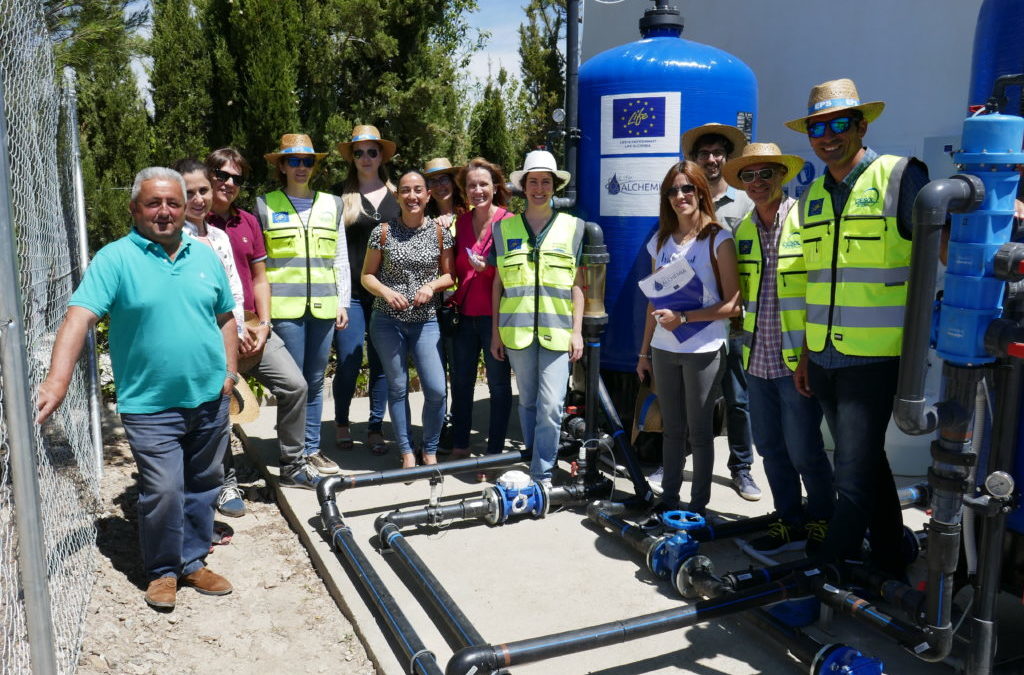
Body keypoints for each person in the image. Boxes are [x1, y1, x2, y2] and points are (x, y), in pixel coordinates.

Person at [37, 167, 237, 609]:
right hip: (150, 405)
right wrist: (57, 381)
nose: (164, 212)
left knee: (204, 483)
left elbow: (225, 317)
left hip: (209, 398)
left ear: (185, 208)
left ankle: (192, 560)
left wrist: (229, 374)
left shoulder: (204, 255)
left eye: (173, 203)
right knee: (164, 489)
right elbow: (79, 317)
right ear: (134, 209)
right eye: (153, 203)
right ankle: (163, 570)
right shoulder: (115, 259)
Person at [786, 78, 929, 576]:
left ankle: (831, 562)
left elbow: (945, 252)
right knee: (869, 463)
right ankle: (891, 555)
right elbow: (815, 281)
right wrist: (806, 353)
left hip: (876, 358)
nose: (827, 136)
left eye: (838, 124)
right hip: (823, 357)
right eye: (816, 127)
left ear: (862, 125)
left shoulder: (900, 176)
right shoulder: (811, 197)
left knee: (852, 472)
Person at [723, 143, 835, 554]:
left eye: (765, 174)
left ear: (782, 176)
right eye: (749, 176)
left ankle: (823, 519)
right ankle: (789, 519)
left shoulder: (806, 220)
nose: (757, 183)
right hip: (756, 360)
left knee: (805, 450)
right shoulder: (744, 229)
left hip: (796, 361)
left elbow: (822, 293)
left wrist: (808, 354)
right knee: (770, 448)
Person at [206, 147, 319, 495]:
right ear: (207, 175)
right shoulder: (194, 222)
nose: (228, 183)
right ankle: (225, 482)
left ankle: (293, 464)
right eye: (221, 175)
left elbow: (260, 278)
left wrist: (265, 324)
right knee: (219, 404)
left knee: (295, 386)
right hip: (213, 333)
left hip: (255, 326)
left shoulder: (248, 222)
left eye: (236, 178)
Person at [636, 161, 741, 516]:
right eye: (673, 191)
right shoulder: (661, 241)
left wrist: (684, 318)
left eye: (687, 189)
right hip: (664, 348)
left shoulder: (718, 238)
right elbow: (654, 297)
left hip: (703, 349)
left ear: (700, 191)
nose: (680, 196)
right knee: (671, 429)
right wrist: (643, 353)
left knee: (699, 432)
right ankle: (669, 500)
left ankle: (697, 506)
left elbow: (733, 305)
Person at [255, 134, 349, 476]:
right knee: (292, 383)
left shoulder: (333, 204)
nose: (301, 167)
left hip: (324, 306)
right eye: (293, 160)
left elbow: (340, 258)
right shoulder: (265, 205)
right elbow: (259, 265)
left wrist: (343, 301)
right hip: (285, 310)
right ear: (281, 165)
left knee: (315, 379)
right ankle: (291, 452)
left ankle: (311, 448)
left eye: (307, 161)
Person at [491, 150, 585, 486]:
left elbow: (578, 286)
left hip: (558, 333)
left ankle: (542, 474)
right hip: (516, 333)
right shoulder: (504, 230)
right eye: (534, 181)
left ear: (555, 186)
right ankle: (535, 462)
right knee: (528, 403)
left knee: (551, 405)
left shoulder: (575, 228)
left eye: (546, 181)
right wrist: (495, 333)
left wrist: (578, 332)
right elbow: (498, 285)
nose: (540, 188)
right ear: (523, 187)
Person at [681, 123, 760, 501]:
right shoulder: (686, 203)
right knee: (687, 397)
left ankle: (742, 468)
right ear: (693, 161)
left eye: (717, 153)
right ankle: (678, 459)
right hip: (692, 322)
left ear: (727, 159)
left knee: (737, 398)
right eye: (703, 154)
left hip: (733, 319)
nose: (711, 160)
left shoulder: (745, 204)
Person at [361, 171, 455, 468]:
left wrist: (431, 286)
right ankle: (406, 451)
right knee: (398, 386)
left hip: (426, 320)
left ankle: (430, 447)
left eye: (418, 190)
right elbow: (366, 276)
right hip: (388, 320)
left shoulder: (440, 232)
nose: (412, 196)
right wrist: (387, 293)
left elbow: (450, 276)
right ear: (397, 196)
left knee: (437, 389)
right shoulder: (382, 232)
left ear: (428, 195)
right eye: (405, 190)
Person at [334, 125, 396, 456]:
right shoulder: (338, 197)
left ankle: (374, 427)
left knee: (382, 363)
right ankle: (342, 422)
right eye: (359, 152)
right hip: (351, 295)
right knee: (348, 358)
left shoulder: (398, 197)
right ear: (352, 158)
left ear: (381, 156)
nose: (366, 158)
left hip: (385, 293)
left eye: (372, 151)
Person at [449, 158, 514, 473]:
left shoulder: (510, 221)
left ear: (495, 187)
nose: (477, 190)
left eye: (483, 184)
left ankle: (494, 452)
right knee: (461, 383)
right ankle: (461, 445)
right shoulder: (460, 224)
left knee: (499, 387)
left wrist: (489, 267)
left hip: (496, 318)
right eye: (471, 185)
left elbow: (517, 273)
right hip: (465, 316)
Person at [422, 156, 467, 452]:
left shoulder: (470, 213)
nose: (440, 186)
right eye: (433, 181)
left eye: (444, 179)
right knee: (438, 372)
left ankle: (459, 429)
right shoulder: (422, 218)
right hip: (433, 305)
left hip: (466, 303)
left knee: (461, 371)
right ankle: (440, 428)